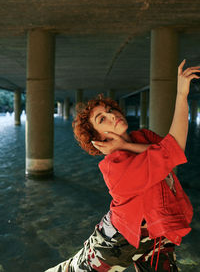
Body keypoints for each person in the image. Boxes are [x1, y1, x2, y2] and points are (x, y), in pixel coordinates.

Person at [45, 60, 199, 272]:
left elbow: (168, 155)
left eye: (110, 110)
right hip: (118, 242)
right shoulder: (113, 167)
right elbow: (173, 149)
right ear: (98, 139)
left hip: (157, 237)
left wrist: (127, 144)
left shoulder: (143, 136)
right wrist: (181, 95)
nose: (113, 115)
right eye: (103, 119)